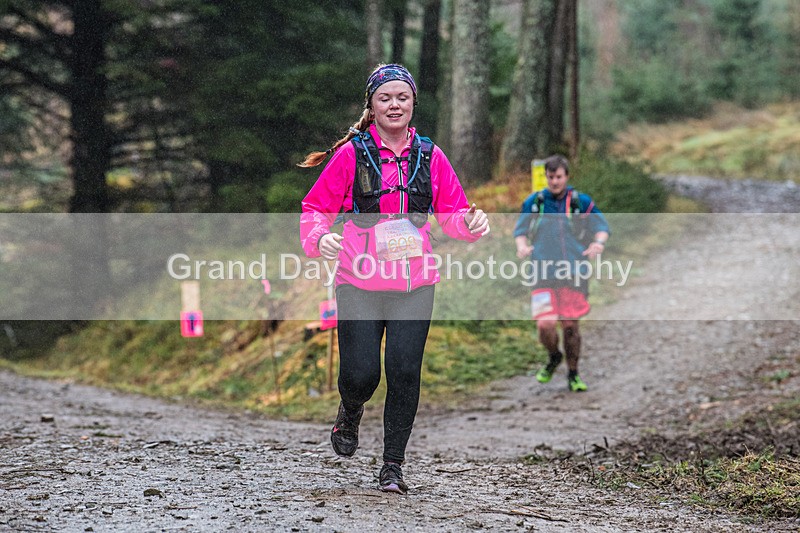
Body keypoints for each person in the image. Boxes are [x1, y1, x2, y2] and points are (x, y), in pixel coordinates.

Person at [299, 63, 490, 494]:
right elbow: (316, 209)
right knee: (361, 374)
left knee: (404, 371)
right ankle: (350, 409)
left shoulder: (430, 155)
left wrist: (471, 224)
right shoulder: (352, 154)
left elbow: (453, 213)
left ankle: (392, 466)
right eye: (385, 97)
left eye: (402, 97)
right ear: (371, 104)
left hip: (414, 284)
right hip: (359, 281)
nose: (394, 104)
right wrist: (319, 239)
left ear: (413, 103)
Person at [513, 154, 609, 392]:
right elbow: (521, 231)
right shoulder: (535, 202)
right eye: (550, 177)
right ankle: (554, 356)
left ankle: (573, 373)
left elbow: (601, 227)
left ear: (566, 176)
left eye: (558, 177)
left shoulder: (580, 202)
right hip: (542, 272)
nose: (554, 181)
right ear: (545, 177)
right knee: (545, 325)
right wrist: (522, 247)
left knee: (570, 326)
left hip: (574, 273)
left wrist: (598, 243)